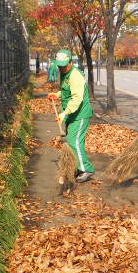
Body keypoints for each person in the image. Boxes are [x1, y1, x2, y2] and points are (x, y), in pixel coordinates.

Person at [47, 49, 95, 183]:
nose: (61, 68)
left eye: (64, 65)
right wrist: (57, 95)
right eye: (59, 65)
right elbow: (66, 92)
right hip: (71, 114)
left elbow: (76, 98)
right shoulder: (65, 74)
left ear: (71, 62)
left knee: (74, 141)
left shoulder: (75, 76)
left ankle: (86, 169)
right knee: (76, 141)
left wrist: (63, 114)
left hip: (80, 114)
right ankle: (77, 167)